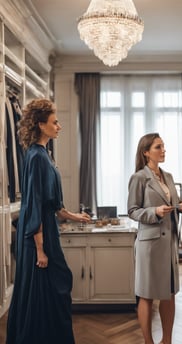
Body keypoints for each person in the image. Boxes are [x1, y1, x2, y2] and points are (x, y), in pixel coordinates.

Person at [6, 99, 90, 344]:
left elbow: (52, 203)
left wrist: (75, 216)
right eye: (55, 122)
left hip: (46, 230)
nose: (59, 126)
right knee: (49, 290)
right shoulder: (36, 157)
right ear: (41, 125)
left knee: (54, 290)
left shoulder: (44, 155)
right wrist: (40, 249)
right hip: (38, 236)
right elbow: (34, 205)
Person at [127, 133, 182, 344]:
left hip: (169, 245)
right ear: (146, 152)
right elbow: (132, 210)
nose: (163, 150)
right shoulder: (139, 177)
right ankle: (148, 341)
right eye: (158, 147)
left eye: (164, 146)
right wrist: (154, 211)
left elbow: (172, 204)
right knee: (147, 295)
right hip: (150, 245)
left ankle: (167, 340)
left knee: (169, 293)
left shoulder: (168, 176)